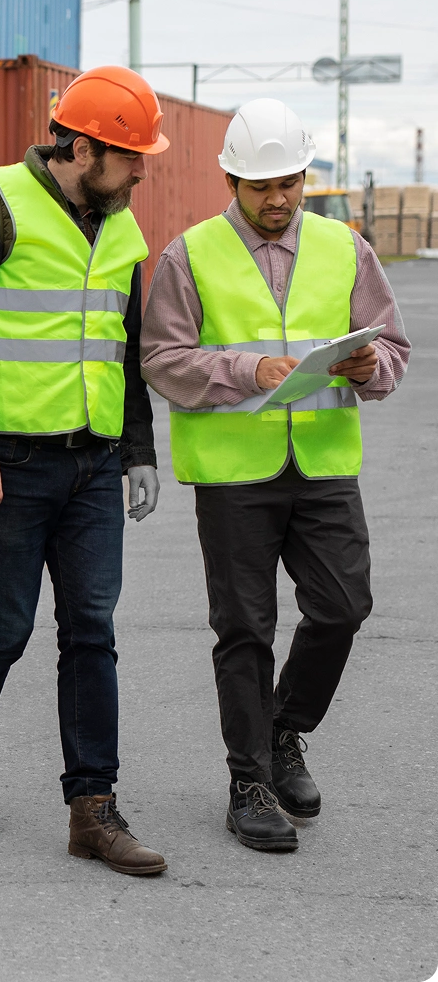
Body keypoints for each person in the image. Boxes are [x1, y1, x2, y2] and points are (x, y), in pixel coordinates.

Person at [0, 66, 169, 876]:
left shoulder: (123, 227)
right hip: (11, 463)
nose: (143, 169)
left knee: (91, 630)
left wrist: (137, 449)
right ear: (83, 147)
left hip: (93, 463)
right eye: (130, 156)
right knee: (4, 626)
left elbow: (123, 353)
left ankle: (92, 808)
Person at [140, 98, 410, 853]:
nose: (278, 198)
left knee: (343, 607)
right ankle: (248, 780)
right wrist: (244, 368)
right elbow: (161, 358)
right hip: (235, 477)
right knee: (244, 629)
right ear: (230, 179)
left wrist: (369, 364)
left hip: (322, 465)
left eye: (289, 181)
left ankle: (286, 727)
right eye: (260, 185)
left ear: (304, 174)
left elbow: (393, 350)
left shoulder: (346, 249)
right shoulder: (187, 256)